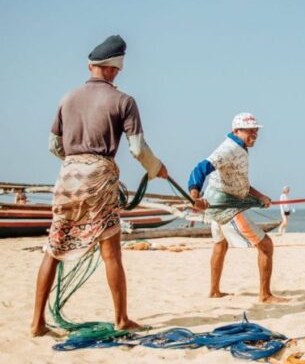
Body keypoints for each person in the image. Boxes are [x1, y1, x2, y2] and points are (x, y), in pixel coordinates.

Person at [31, 35, 169, 337]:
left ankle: (37, 323)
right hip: (99, 176)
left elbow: (54, 145)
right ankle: (121, 319)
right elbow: (137, 149)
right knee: (111, 253)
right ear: (116, 68)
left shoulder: (67, 98)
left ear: (90, 65)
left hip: (67, 175)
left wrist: (75, 161)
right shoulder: (124, 101)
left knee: (54, 248)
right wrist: (157, 168)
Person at [188, 113, 287, 303]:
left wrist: (260, 197)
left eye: (256, 130)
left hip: (217, 202)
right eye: (250, 130)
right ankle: (265, 295)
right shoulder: (229, 149)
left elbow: (240, 182)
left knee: (220, 244)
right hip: (225, 206)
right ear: (236, 131)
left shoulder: (239, 148)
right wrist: (194, 196)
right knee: (266, 245)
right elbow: (200, 168)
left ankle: (214, 291)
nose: (255, 134)